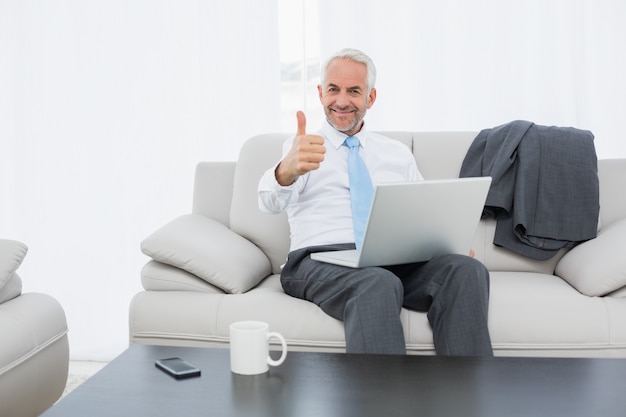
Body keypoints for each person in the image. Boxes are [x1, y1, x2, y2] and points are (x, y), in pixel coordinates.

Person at [258, 48, 493, 356]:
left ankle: (466, 397)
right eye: (333, 90)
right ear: (320, 93)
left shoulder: (396, 153)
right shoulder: (304, 148)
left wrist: (448, 243)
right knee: (377, 282)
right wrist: (285, 171)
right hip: (318, 262)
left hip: (390, 260)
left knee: (467, 270)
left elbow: (423, 215)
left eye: (354, 91)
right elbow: (268, 202)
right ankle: (380, 404)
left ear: (370, 98)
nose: (341, 101)